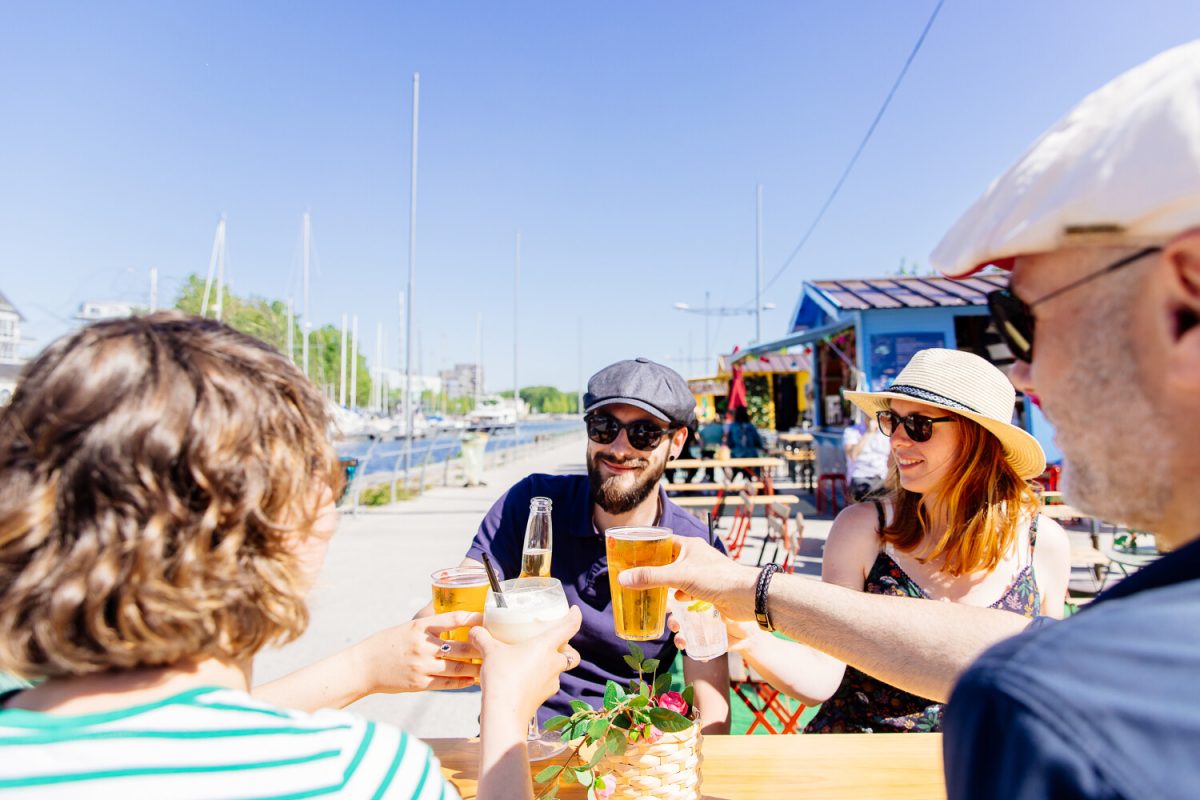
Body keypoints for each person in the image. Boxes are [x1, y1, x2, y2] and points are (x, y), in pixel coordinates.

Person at [620, 40, 1200, 798]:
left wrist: (751, 593)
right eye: (894, 421)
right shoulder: (1098, 651)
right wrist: (747, 616)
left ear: (1186, 304)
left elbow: (1026, 661)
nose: (1024, 369)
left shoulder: (1052, 706)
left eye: (1021, 321)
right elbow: (1020, 651)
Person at [0, 313, 581, 799]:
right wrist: (505, 709)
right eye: (332, 477)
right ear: (279, 527)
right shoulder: (353, 774)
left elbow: (163, 730)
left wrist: (362, 668)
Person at [683, 348, 1069, 733]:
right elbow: (822, 677)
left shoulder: (1043, 543)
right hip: (862, 762)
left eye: (918, 424)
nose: (896, 439)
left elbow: (1048, 686)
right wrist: (750, 640)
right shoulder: (863, 528)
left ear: (977, 439)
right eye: (891, 420)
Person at [420, 357, 731, 733]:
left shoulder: (695, 546)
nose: (618, 449)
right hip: (519, 733)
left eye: (644, 433)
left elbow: (711, 706)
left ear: (676, 442)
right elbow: (447, 613)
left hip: (627, 747)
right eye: (604, 426)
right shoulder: (533, 503)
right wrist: (454, 629)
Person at [841, 410, 890, 501]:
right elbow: (852, 454)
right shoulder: (852, 431)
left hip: (882, 477)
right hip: (860, 476)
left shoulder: (885, 433)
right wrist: (869, 433)